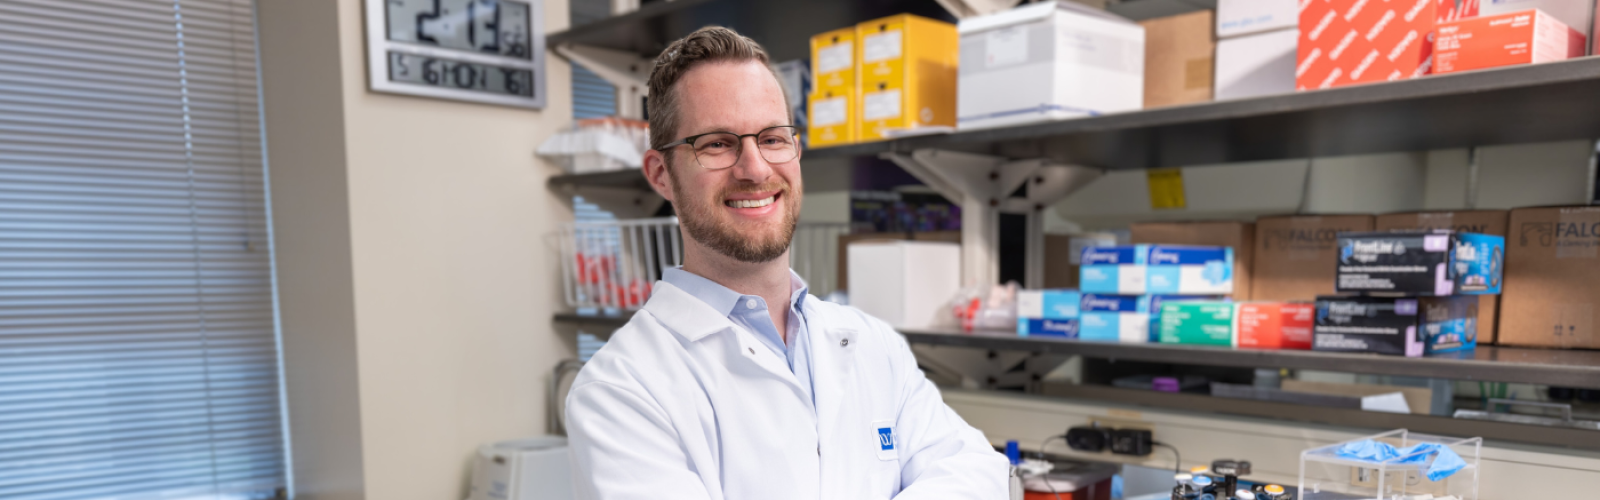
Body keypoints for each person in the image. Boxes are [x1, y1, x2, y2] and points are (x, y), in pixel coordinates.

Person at [564, 26, 1008, 500]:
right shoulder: (620, 390)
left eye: (773, 138)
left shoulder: (872, 344)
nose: (755, 168)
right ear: (661, 175)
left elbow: (975, 471)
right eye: (717, 144)